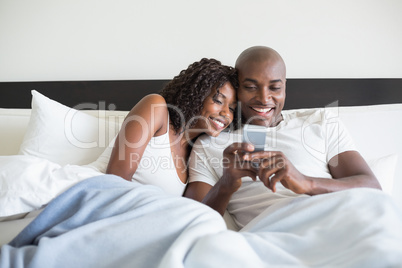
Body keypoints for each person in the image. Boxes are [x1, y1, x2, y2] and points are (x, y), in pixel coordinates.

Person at [184, 46, 382, 228]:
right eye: (251, 87)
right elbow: (192, 223)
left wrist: (306, 182)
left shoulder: (320, 121)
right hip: (271, 238)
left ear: (285, 86)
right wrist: (225, 185)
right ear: (237, 88)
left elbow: (372, 189)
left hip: (336, 224)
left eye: (274, 88)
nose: (263, 98)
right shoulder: (210, 143)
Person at [106, 58, 238, 196]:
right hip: (97, 198)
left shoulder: (197, 154)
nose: (226, 113)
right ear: (197, 93)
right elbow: (116, 180)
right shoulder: (156, 108)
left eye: (232, 109)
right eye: (218, 100)